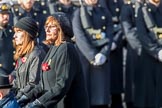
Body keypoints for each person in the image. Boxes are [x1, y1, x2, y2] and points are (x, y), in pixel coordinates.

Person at [17, 12, 89, 108]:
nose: (47, 29)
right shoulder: (54, 47)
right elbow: (43, 84)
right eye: (46, 26)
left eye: (52, 26)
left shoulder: (66, 48)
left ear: (61, 29)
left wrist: (38, 103)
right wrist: (27, 96)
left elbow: (61, 85)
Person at [72, 0, 113, 108]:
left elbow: (109, 35)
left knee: (101, 97)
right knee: (85, 94)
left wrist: (104, 53)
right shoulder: (78, 13)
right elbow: (79, 36)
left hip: (102, 58)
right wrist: (92, 55)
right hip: (85, 58)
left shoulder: (105, 12)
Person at [11, 17, 46, 101]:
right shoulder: (23, 54)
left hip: (30, 102)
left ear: (28, 34)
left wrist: (16, 99)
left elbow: (33, 84)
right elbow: (17, 82)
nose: (14, 36)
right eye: (15, 32)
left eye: (18, 31)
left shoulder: (36, 54)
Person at [135, 0, 162, 107]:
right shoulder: (143, 10)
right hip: (149, 57)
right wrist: (157, 51)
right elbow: (142, 35)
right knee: (149, 96)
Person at [120, 0, 142, 107]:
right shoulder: (127, 8)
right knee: (133, 82)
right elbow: (128, 31)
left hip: (150, 51)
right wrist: (144, 46)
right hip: (135, 49)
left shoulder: (149, 6)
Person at [0, 1, 15, 75]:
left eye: (7, 14)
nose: (5, 17)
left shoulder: (13, 32)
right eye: (2, 14)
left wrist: (14, 73)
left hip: (13, 74)